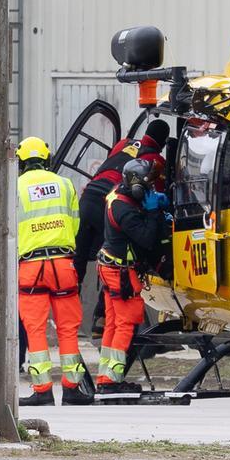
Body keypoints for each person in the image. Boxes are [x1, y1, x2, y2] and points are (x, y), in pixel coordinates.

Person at [14, 136, 91, 408]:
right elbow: (75, 223)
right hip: (63, 263)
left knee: (34, 329)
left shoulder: (16, 187)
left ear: (21, 162)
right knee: (68, 329)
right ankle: (71, 389)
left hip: (31, 266)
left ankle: (42, 390)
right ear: (47, 159)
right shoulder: (64, 184)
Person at [74, 119, 170, 333]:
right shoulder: (156, 161)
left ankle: (69, 308)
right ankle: (101, 315)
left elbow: (111, 164)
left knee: (78, 259)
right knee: (114, 254)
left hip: (88, 197)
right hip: (111, 202)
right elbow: (154, 193)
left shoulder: (124, 143)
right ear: (163, 143)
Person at [95, 158, 170, 393]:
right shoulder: (125, 210)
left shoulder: (118, 195)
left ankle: (105, 377)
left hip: (111, 267)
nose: (152, 189)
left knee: (113, 324)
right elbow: (147, 239)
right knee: (126, 325)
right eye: (149, 185)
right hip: (121, 272)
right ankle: (111, 380)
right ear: (137, 186)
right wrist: (154, 212)